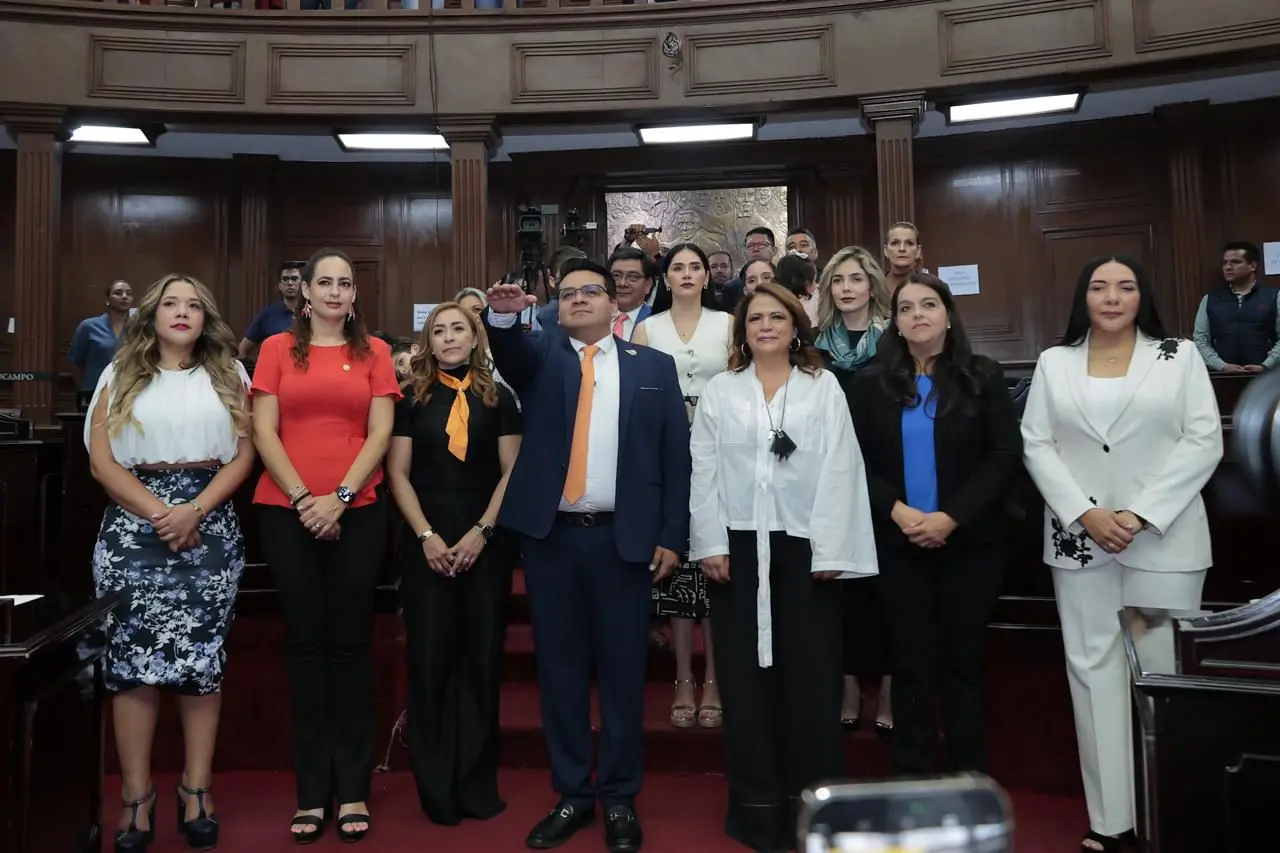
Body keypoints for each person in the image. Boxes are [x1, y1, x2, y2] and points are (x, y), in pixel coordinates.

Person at [483, 259, 691, 853]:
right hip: (552, 541)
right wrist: (502, 315)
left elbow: (676, 457)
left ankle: (620, 795)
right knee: (561, 672)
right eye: (567, 293)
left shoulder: (654, 366)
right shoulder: (542, 356)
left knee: (624, 674)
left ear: (614, 304)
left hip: (623, 542)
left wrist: (672, 535)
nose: (577, 300)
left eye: (590, 291)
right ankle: (573, 792)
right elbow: (510, 349)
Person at [1021, 255, 1223, 853]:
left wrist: (1137, 514)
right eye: (1100, 287)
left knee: (1162, 675)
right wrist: (1086, 513)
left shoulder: (1178, 355)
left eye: (1126, 286)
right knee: (1092, 676)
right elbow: (1036, 443)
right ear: (1083, 297)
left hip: (1163, 537)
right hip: (1079, 542)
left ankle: (1168, 811)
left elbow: (1203, 439)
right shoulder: (1054, 362)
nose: (1112, 297)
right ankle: (1111, 823)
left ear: (1143, 295)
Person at [690, 282, 878, 853]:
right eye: (755, 319)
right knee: (746, 686)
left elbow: (843, 467)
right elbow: (705, 469)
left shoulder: (824, 388)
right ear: (742, 332)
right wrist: (710, 543)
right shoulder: (722, 391)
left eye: (777, 317)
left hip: (806, 551)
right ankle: (756, 812)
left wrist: (830, 548)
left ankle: (812, 810)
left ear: (796, 326)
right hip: (739, 547)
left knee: (812, 682)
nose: (766, 326)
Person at [85, 273, 255, 853]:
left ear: (206, 318)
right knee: (130, 662)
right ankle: (136, 796)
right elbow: (103, 464)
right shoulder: (119, 373)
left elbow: (247, 453)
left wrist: (194, 511)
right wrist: (163, 512)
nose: (182, 313)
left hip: (209, 526)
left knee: (201, 660)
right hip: (134, 528)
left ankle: (196, 789)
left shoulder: (229, 373)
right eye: (170, 304)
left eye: (193, 305)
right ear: (151, 315)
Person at [250, 247, 402, 844]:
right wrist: (303, 499)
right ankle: (312, 792)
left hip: (358, 510)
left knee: (351, 646)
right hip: (285, 512)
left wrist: (337, 497)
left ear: (354, 295)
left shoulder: (376, 353)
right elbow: (264, 428)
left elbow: (381, 430)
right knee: (306, 646)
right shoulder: (274, 350)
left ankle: (355, 789)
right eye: (326, 282)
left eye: (346, 283)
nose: (337, 291)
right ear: (305, 292)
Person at [848, 272, 1022, 778]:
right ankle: (913, 777)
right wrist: (898, 511)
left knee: (962, 666)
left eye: (929, 305)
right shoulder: (868, 383)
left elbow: (1004, 456)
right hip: (897, 544)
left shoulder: (983, 376)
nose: (918, 315)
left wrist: (951, 517)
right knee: (911, 667)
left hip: (971, 544)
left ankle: (970, 777)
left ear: (948, 315)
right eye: (906, 308)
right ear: (896, 323)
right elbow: (854, 460)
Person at [385, 302, 521, 825]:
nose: (448, 338)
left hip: (485, 543)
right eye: (438, 331)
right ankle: (436, 786)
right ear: (428, 341)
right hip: (428, 545)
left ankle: (475, 783)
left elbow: (512, 470)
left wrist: (482, 532)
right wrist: (427, 536)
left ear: (475, 337)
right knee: (431, 661)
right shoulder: (411, 398)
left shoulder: (500, 397)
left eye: (457, 329)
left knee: (481, 662)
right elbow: (398, 473)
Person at [632, 242, 731, 730]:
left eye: (696, 267)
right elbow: (640, 401)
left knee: (715, 568)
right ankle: (683, 680)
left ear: (707, 277)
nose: (688, 274)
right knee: (679, 574)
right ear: (664, 278)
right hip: (668, 460)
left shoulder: (729, 324)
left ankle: (714, 677)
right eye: (678, 268)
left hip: (722, 460)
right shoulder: (647, 329)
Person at [812, 246, 894, 735]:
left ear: (871, 286)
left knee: (884, 585)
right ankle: (845, 683)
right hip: (829, 473)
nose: (846, 288)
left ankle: (885, 684)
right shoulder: (816, 344)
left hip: (884, 472)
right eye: (837, 280)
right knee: (840, 586)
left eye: (855, 279)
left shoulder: (894, 338)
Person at [1192, 241, 1280, 373]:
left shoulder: (1274, 296)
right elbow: (1200, 339)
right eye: (1225, 263)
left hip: (1267, 378)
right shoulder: (1210, 299)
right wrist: (1222, 366)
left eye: (1235, 262)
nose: (1228, 267)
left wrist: (1266, 366)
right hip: (1223, 377)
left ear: (1252, 265)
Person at [71, 279, 134, 394]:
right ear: (107, 299)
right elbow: (77, 363)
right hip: (95, 390)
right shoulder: (89, 326)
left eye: (128, 293)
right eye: (118, 293)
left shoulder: (138, 328)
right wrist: (84, 390)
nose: (124, 296)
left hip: (128, 392)